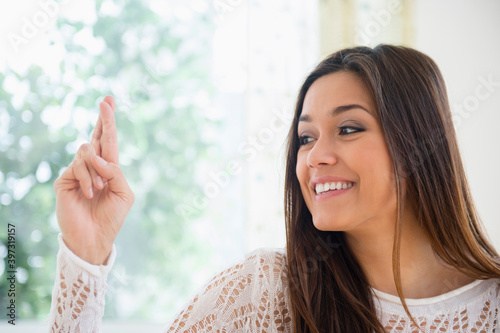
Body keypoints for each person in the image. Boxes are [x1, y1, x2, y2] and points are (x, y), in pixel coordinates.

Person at [48, 44, 500, 332]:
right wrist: (84, 260)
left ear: (419, 140)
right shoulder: (263, 293)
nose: (315, 156)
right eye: (306, 138)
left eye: (347, 128)